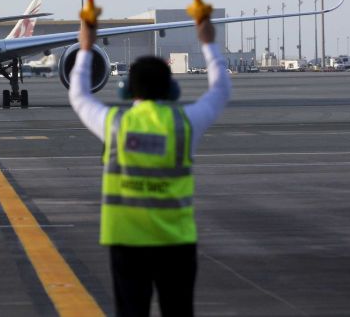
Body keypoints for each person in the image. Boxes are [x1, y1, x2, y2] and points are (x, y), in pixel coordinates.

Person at [69, 18, 230, 317]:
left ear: (127, 90)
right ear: (172, 89)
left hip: (127, 242)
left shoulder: (116, 125)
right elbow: (220, 90)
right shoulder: (185, 124)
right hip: (176, 242)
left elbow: (79, 96)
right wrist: (208, 41)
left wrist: (85, 47)